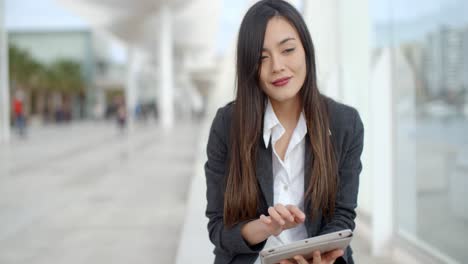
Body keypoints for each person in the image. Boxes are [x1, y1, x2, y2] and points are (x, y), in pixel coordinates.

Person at [204, 1, 364, 264]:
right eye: (261, 58)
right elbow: (218, 228)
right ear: (249, 67)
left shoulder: (345, 123)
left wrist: (317, 257)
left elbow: (343, 217)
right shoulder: (227, 124)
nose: (276, 66)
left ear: (306, 51)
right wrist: (266, 227)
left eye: (288, 49)